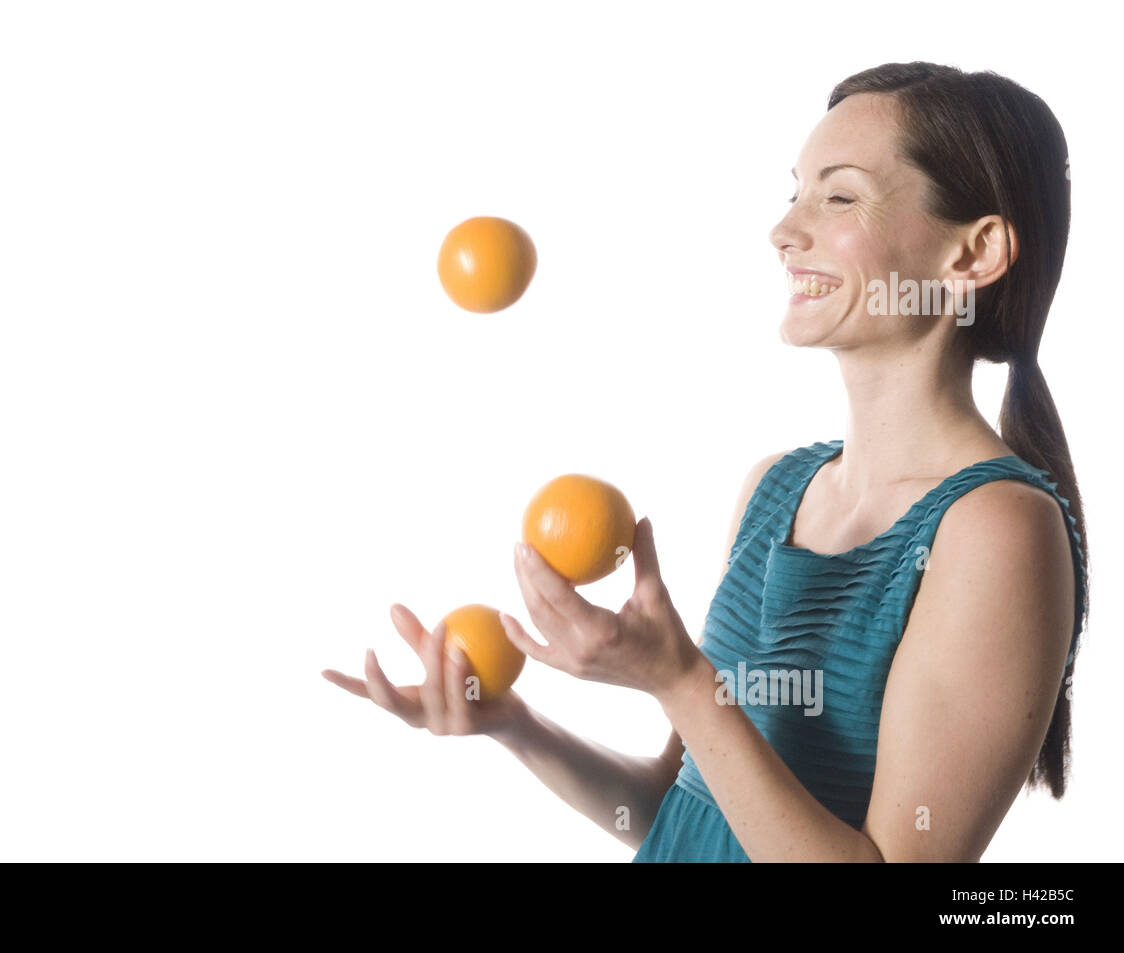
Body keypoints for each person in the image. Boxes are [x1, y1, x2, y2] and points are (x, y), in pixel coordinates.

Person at [322, 61, 1087, 862]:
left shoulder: (998, 528)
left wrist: (681, 679)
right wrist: (515, 723)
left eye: (840, 195)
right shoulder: (775, 489)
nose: (785, 230)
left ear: (974, 254)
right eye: (793, 191)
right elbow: (681, 809)